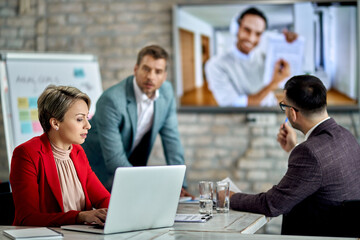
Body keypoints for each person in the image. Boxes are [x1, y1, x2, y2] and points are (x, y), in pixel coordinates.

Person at [229, 75, 360, 237]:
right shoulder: (346, 135)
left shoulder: (310, 153)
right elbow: (322, 170)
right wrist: (294, 147)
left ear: (292, 113)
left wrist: (231, 198)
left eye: (283, 105)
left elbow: (272, 204)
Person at [82, 45, 192, 198]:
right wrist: (150, 187)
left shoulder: (166, 93)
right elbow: (115, 160)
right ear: (136, 69)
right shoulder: (111, 100)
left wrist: (180, 186)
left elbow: (172, 142)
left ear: (164, 76)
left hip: (129, 171)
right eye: (146, 69)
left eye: (158, 71)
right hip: (95, 173)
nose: (151, 77)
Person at [10, 85, 110, 227]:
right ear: (55, 122)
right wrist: (79, 216)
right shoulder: (26, 154)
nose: (88, 125)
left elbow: (103, 199)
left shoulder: (77, 152)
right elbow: (27, 218)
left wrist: (118, 212)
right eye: (80, 119)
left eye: (87, 118)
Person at [205, 7, 297, 107]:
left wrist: (290, 47)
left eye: (258, 34)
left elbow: (288, 78)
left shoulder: (265, 58)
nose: (251, 39)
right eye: (247, 30)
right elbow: (234, 105)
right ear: (236, 28)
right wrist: (272, 84)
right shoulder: (216, 65)